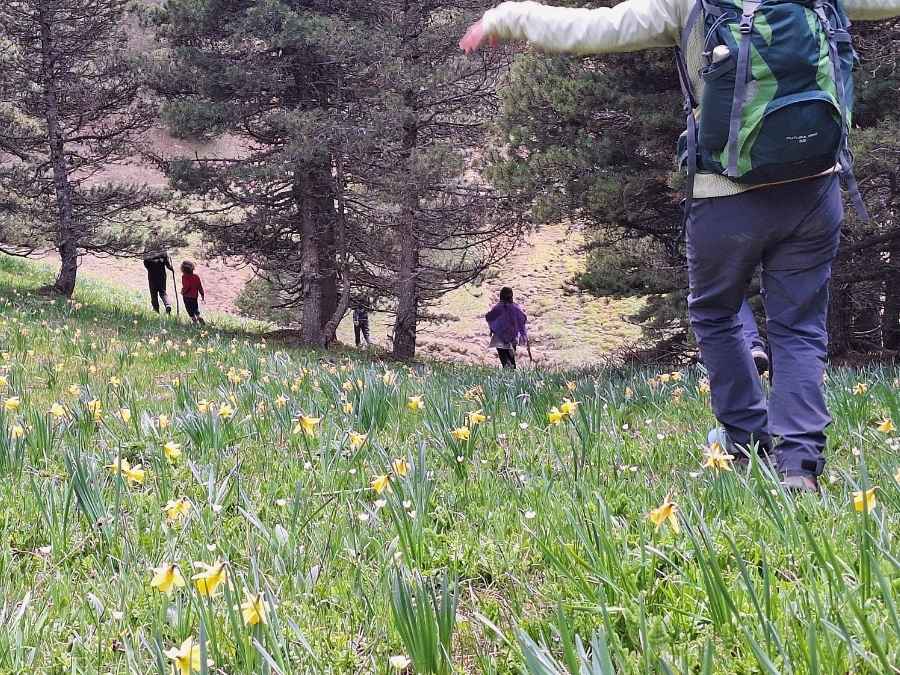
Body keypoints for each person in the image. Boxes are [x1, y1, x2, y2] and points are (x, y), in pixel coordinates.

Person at [460, 0, 900, 492]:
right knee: (798, 326)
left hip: (725, 194)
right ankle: (799, 464)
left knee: (715, 312)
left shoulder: (687, 4)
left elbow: (591, 29)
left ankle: (745, 441)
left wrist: (507, 17)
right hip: (814, 188)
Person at [485, 287, 529, 369]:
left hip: (499, 338)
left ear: (501, 296)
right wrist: (523, 333)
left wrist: (493, 328)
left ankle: (507, 368)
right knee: (512, 360)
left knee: (504, 360)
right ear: (511, 296)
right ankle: (512, 370)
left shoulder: (498, 307)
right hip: (512, 338)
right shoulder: (515, 307)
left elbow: (489, 317)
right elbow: (523, 318)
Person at [143, 249, 174, 314]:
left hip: (152, 276)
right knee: (163, 292)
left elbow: (145, 262)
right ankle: (167, 304)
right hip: (162, 276)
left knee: (153, 294)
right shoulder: (163, 250)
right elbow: (167, 264)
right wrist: (171, 268)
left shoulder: (148, 249)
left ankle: (156, 310)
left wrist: (150, 268)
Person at [180, 261, 205, 325]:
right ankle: (198, 316)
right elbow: (200, 287)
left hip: (187, 297)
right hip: (194, 296)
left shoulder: (184, 277)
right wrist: (202, 296)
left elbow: (187, 286)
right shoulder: (196, 276)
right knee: (195, 307)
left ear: (183, 270)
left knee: (189, 309)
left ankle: (194, 321)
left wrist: (183, 291)